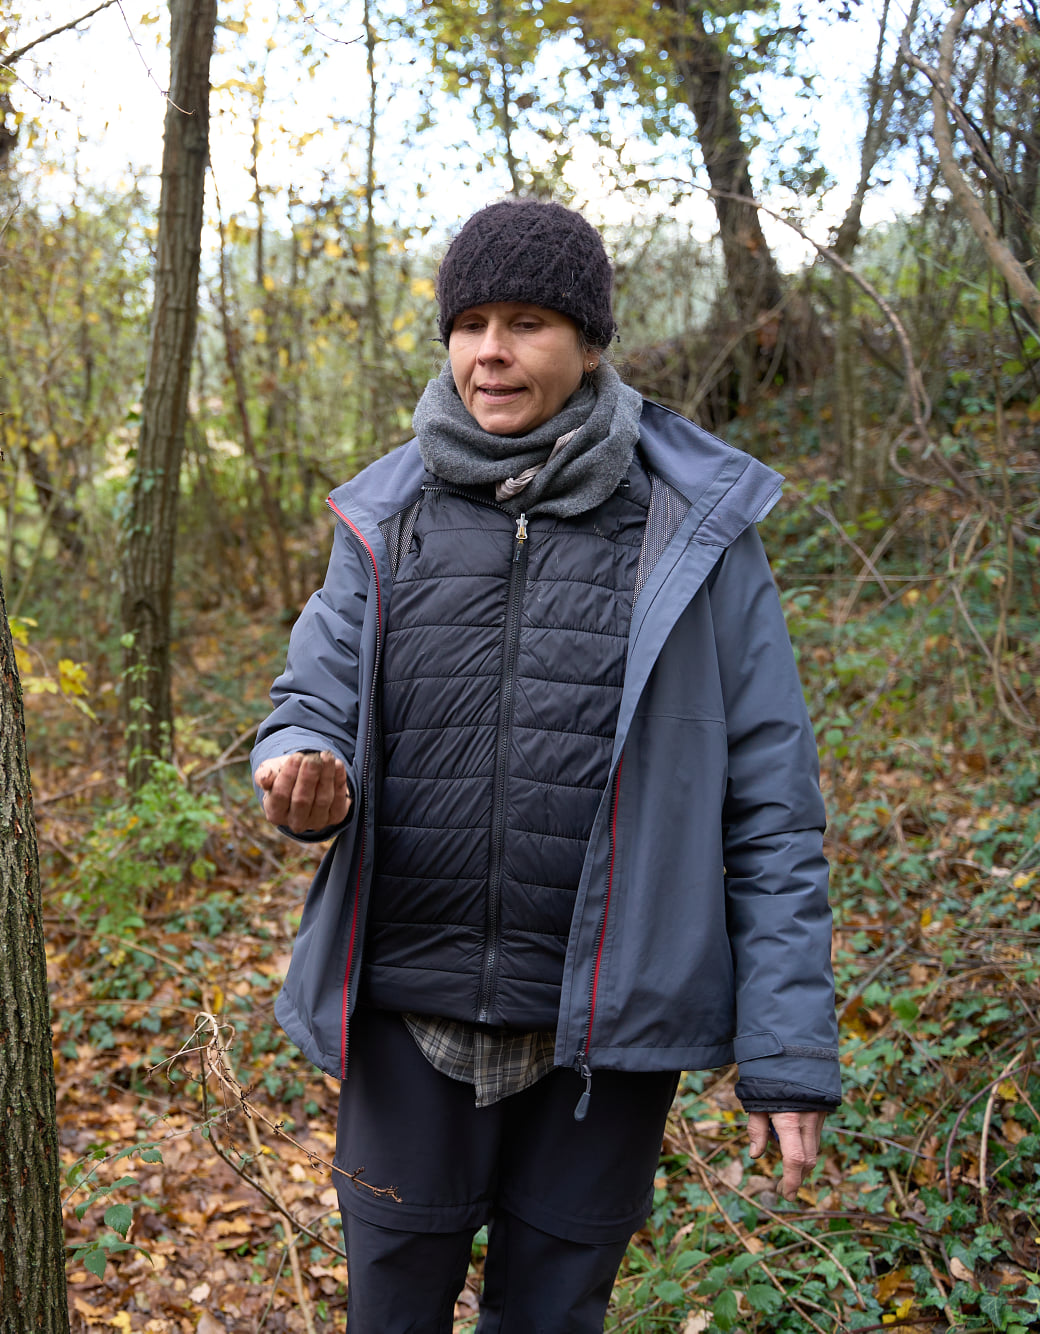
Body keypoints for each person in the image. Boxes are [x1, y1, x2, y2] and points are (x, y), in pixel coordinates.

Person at [251, 200, 838, 1332]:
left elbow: (768, 799)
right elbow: (309, 697)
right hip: (405, 1008)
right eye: (467, 322)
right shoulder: (385, 514)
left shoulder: (692, 531)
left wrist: (785, 1051)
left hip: (601, 1042)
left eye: (523, 321)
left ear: (588, 340)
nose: (488, 351)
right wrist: (298, 765)